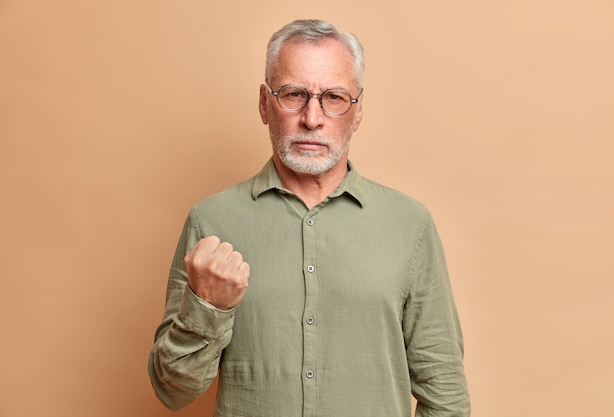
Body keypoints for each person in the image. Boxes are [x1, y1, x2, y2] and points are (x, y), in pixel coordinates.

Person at [148, 19, 470, 417]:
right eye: (294, 94)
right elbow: (172, 390)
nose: (312, 119)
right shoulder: (211, 221)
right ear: (264, 104)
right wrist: (208, 307)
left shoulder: (410, 225)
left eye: (334, 97)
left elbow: (446, 395)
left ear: (358, 111)